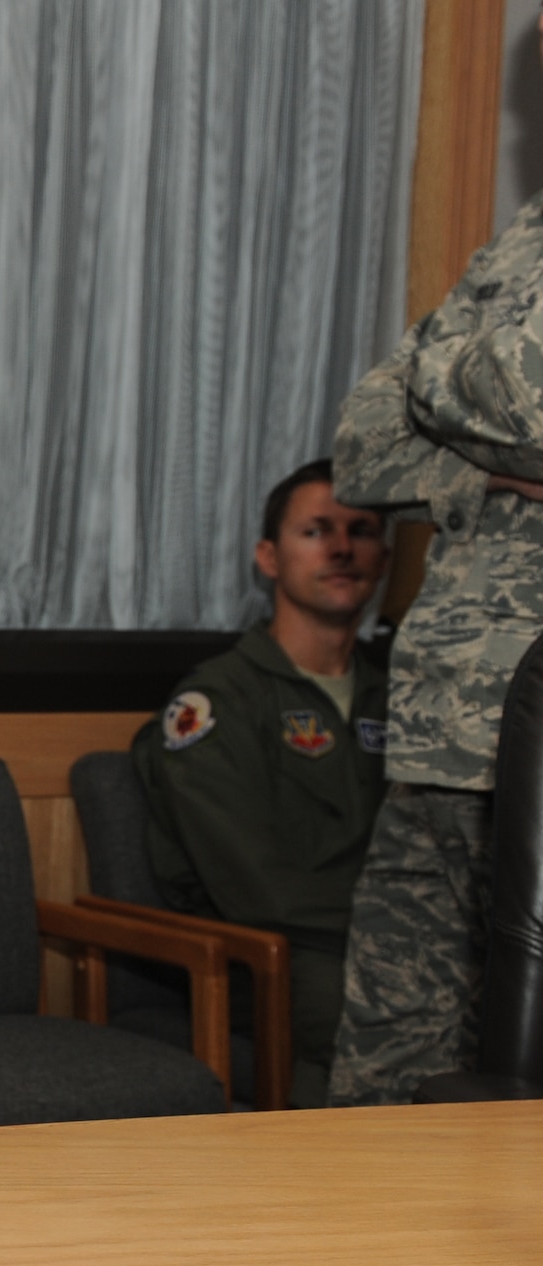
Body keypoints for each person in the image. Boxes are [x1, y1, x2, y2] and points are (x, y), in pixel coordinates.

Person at [327, 20, 543, 1103]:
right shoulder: (523, 236)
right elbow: (365, 438)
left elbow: (521, 395)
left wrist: (441, 374)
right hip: (442, 727)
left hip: (536, 741)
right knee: (387, 1083)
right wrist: (484, 465)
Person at [133, 460, 389, 1109]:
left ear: (383, 556)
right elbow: (258, 888)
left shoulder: (405, 697)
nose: (341, 547)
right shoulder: (217, 702)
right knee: (366, 1011)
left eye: (360, 531)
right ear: (269, 557)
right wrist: (395, 930)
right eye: (316, 530)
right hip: (273, 957)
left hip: (387, 936)